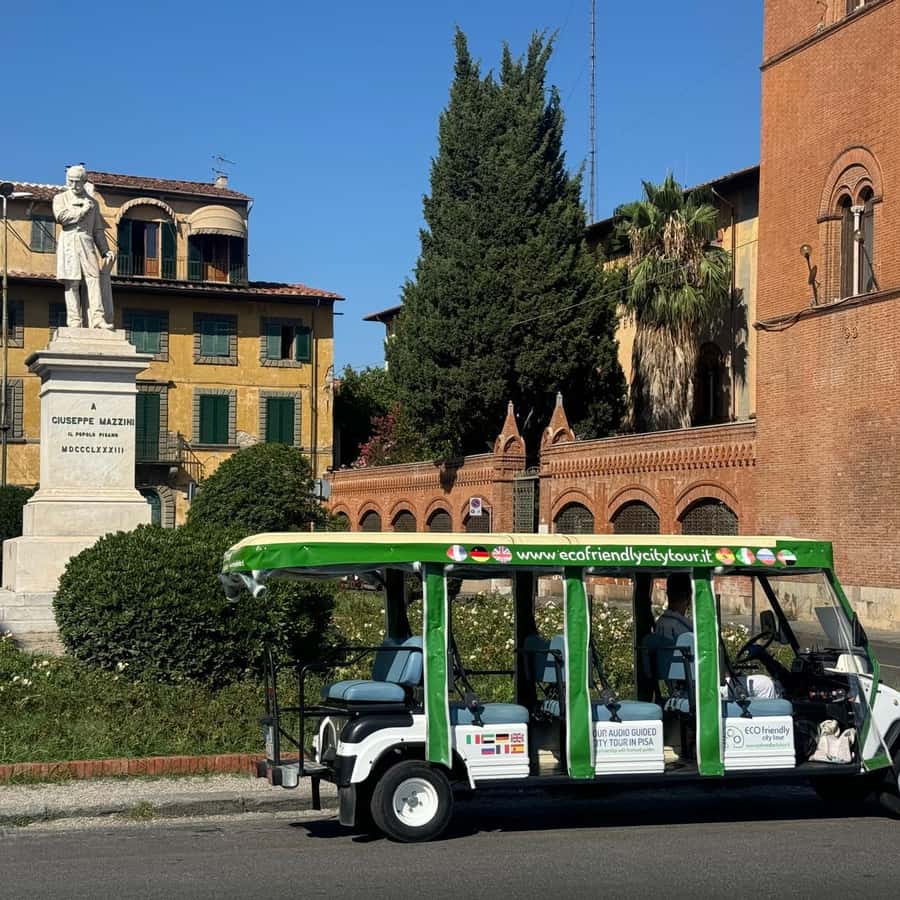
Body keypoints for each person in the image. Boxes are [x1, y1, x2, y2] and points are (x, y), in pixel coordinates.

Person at [654, 573, 778, 699]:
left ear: (668, 593)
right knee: (766, 685)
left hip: (681, 687)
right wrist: (727, 672)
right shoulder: (685, 628)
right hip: (700, 688)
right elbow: (708, 662)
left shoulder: (661, 623)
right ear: (689, 596)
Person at [53, 164, 115, 330]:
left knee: (94, 278)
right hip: (69, 242)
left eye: (77, 182)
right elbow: (62, 217)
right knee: (72, 282)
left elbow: (98, 230)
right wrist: (83, 211)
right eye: (70, 181)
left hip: (87, 242)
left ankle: (97, 318)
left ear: (84, 181)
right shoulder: (60, 198)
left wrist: (105, 250)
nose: (74, 185)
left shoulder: (93, 203)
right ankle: (74, 321)